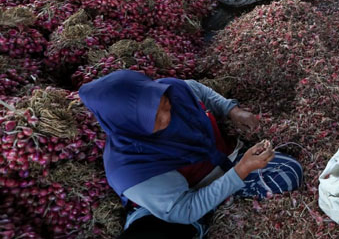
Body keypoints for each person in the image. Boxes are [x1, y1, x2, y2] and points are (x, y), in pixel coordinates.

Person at [79, 70, 302, 237]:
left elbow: (199, 90)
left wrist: (232, 110)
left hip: (222, 165)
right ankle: (207, 219)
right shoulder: (129, 168)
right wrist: (242, 170)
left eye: (165, 106)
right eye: (154, 120)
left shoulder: (175, 91)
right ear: (128, 125)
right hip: (173, 208)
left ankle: (218, 206)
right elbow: (185, 209)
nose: (166, 117)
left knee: (288, 173)